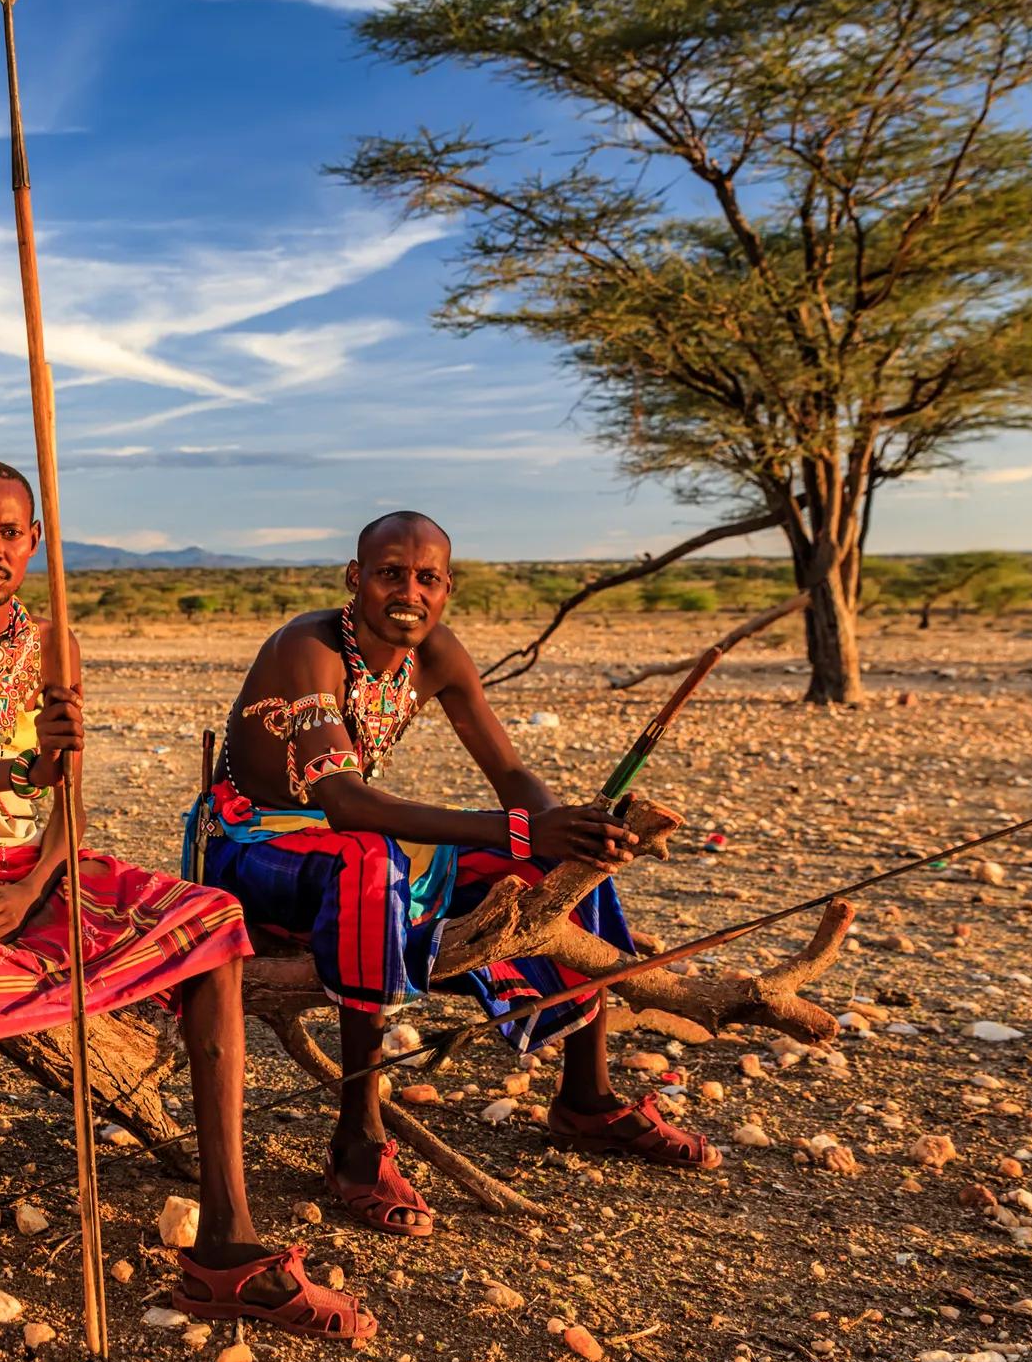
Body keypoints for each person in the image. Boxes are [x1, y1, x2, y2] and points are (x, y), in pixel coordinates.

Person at [0, 461, 375, 1362]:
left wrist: (33, 880)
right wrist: (26, 758)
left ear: (34, 540)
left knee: (209, 925)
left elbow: (66, 800)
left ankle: (227, 1242)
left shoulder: (56, 635)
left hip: (28, 855)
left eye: (9, 532)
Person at [190, 511, 719, 1242]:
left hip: (352, 835)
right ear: (355, 580)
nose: (409, 591)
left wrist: (569, 836)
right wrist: (526, 828)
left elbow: (510, 773)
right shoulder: (303, 651)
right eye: (389, 573)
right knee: (370, 861)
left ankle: (587, 1097)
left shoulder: (437, 654)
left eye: (427, 578)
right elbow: (344, 803)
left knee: (565, 857)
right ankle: (358, 1139)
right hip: (254, 847)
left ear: (447, 589)